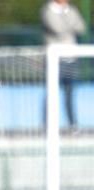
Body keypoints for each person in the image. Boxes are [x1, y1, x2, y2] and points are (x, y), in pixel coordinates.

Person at [41, 0, 86, 129]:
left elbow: (81, 27)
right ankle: (47, 125)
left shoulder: (71, 10)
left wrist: (67, 20)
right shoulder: (47, 11)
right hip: (55, 60)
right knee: (51, 93)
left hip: (71, 58)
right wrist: (70, 24)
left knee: (70, 93)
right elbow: (58, 29)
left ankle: (72, 125)